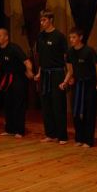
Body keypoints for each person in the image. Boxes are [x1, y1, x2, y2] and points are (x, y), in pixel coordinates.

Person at [60, 27, 97, 147]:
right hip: (77, 85)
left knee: (89, 112)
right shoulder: (69, 52)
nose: (71, 40)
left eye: (74, 37)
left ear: (80, 37)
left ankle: (88, 140)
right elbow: (70, 70)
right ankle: (79, 138)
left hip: (89, 84)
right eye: (70, 37)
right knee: (76, 111)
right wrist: (65, 82)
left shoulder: (89, 51)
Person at [34, 10, 69, 145]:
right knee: (46, 105)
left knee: (58, 104)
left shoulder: (59, 36)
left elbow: (66, 57)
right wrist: (39, 72)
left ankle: (62, 136)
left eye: (44, 20)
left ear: (51, 20)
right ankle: (50, 134)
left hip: (57, 73)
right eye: (41, 20)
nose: (42, 23)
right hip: (44, 73)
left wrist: (68, 75)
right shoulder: (40, 36)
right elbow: (41, 57)